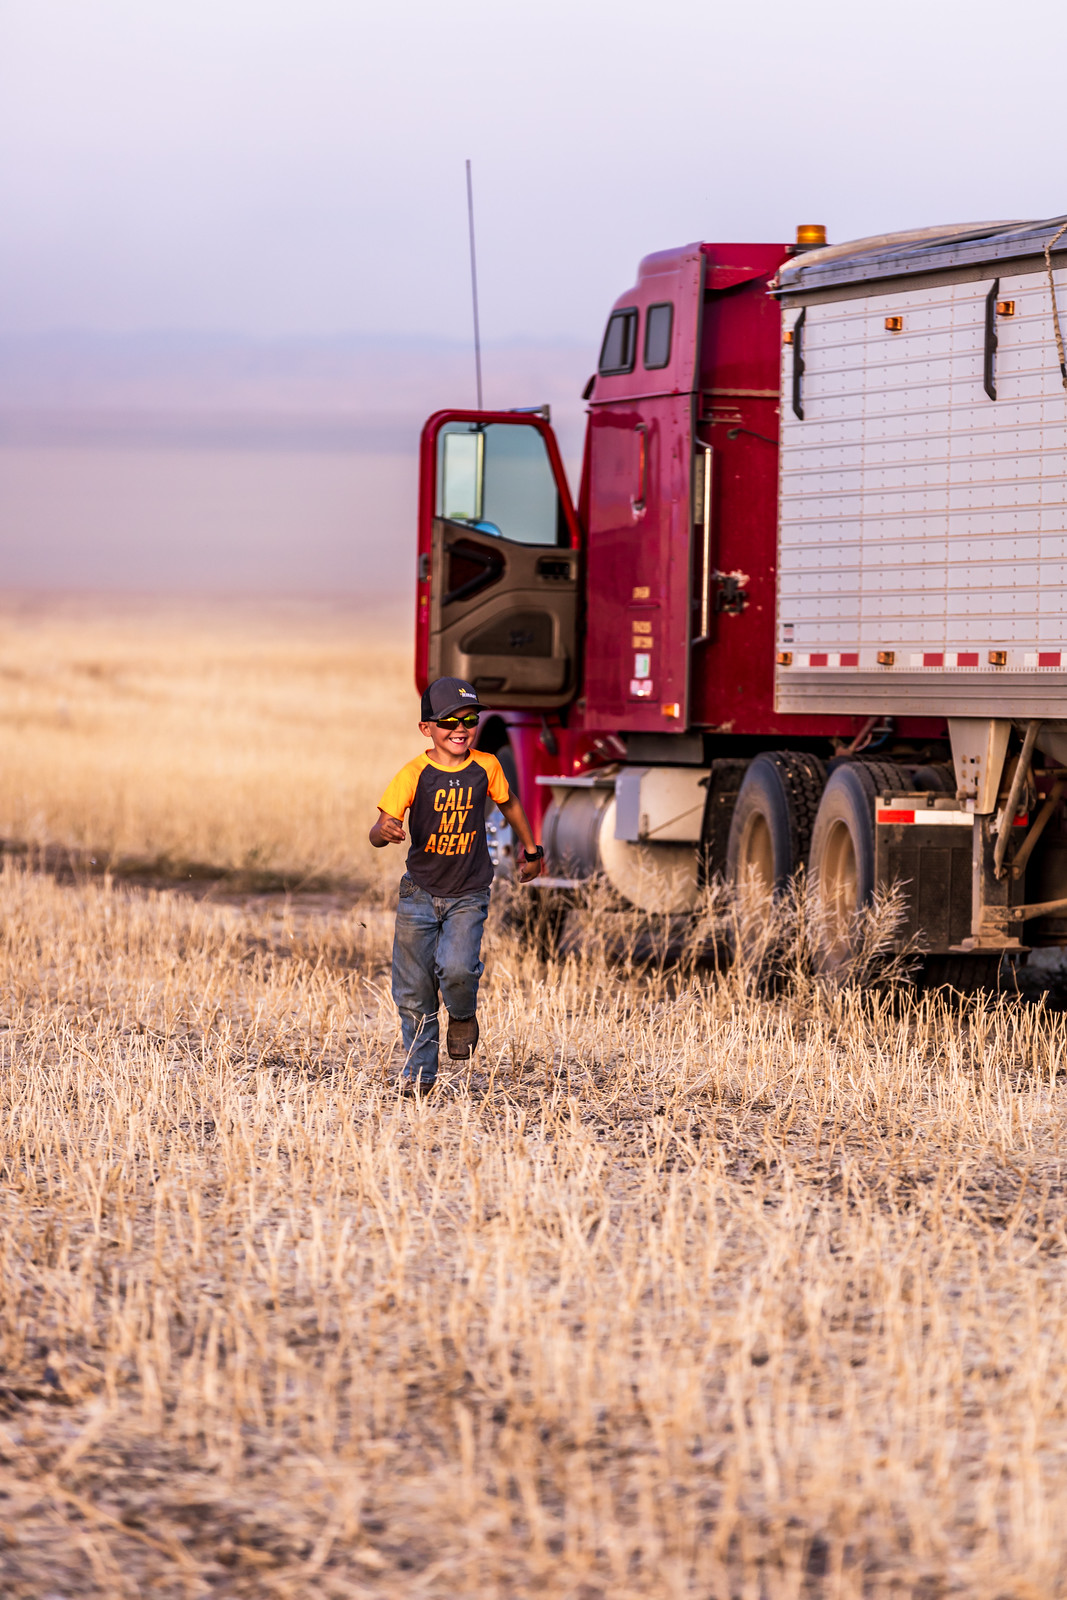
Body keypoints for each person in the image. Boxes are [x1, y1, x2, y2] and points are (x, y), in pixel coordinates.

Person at [371, 676, 544, 1097]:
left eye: (469, 718)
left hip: (469, 893)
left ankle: (463, 1015)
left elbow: (510, 803)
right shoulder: (413, 774)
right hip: (419, 895)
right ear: (426, 728)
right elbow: (378, 831)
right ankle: (420, 1077)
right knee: (413, 991)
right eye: (448, 721)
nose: (460, 728)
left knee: (458, 968)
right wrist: (385, 828)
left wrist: (531, 849)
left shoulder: (487, 767)